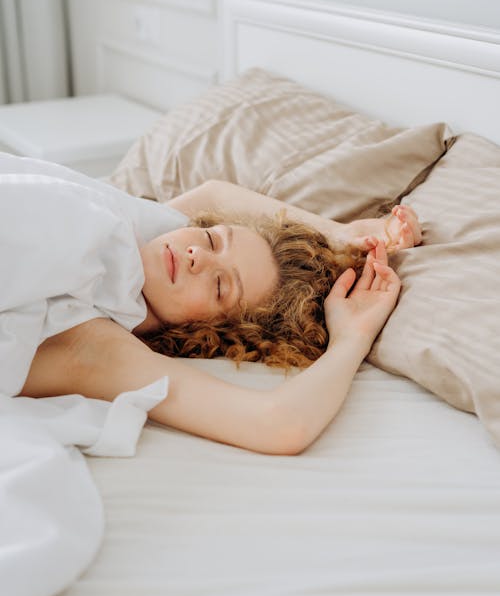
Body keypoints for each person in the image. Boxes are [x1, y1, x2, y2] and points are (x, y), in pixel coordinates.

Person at [3, 156, 420, 455]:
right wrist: (336, 232)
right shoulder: (146, 234)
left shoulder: (91, 343)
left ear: (206, 330)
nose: (196, 258)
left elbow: (278, 423)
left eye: (220, 285)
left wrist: (351, 339)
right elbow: (214, 193)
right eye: (211, 239)